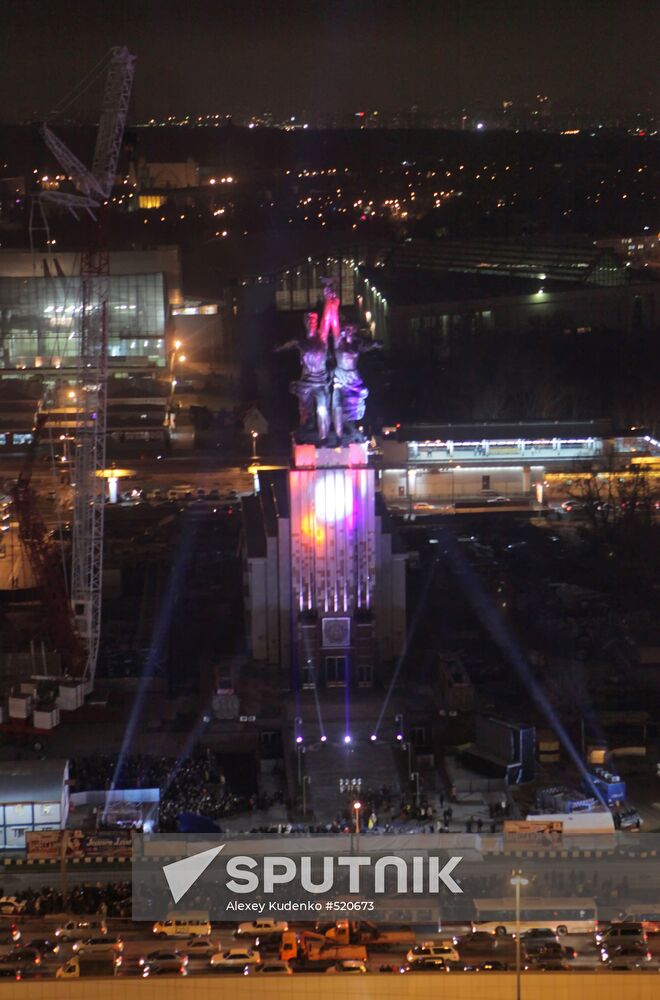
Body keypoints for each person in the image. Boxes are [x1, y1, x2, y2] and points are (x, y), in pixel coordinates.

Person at [275, 310, 331, 440]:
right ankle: (308, 427)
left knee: (322, 408)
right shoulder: (300, 342)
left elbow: (327, 319)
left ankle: (324, 436)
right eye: (308, 321)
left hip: (320, 382)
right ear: (304, 323)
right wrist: (279, 348)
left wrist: (330, 300)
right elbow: (288, 345)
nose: (311, 323)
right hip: (306, 382)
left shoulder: (321, 339)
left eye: (314, 321)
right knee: (306, 410)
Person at [331, 323, 381, 441]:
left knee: (355, 401)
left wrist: (374, 344)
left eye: (351, 329)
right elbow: (334, 327)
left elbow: (366, 346)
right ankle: (339, 431)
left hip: (354, 377)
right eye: (347, 329)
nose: (349, 331)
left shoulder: (356, 345)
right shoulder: (339, 343)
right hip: (341, 376)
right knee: (340, 403)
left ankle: (349, 426)